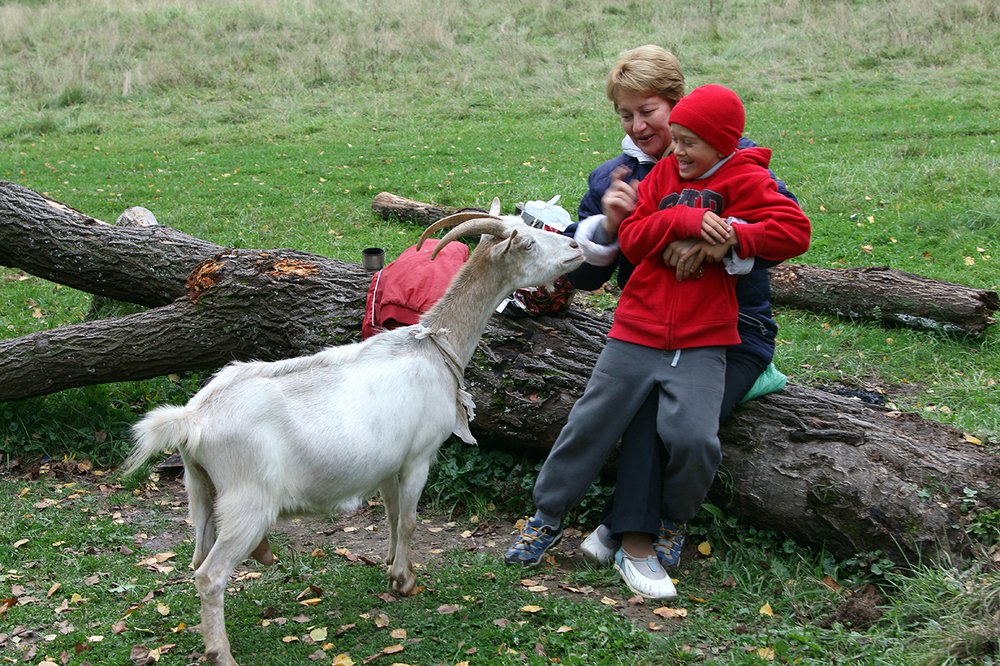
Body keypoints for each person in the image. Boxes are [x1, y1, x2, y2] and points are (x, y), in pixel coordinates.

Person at [505, 74, 810, 599]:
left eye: (650, 113)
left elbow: (794, 230)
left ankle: (668, 521)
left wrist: (733, 237)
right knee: (590, 424)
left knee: (692, 437)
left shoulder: (748, 176)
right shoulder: (654, 175)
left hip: (709, 336)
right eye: (625, 115)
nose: (671, 146)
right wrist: (685, 220)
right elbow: (633, 239)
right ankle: (547, 516)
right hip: (637, 328)